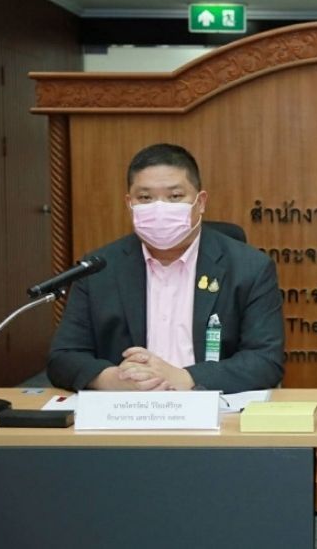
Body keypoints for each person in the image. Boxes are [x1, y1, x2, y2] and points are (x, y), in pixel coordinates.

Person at [48, 143, 285, 393]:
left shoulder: (249, 268)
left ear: (200, 202)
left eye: (175, 196)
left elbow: (265, 361)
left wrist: (185, 377)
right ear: (130, 204)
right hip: (126, 408)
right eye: (145, 198)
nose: (159, 208)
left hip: (211, 407)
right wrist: (112, 379)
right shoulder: (99, 268)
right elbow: (63, 357)